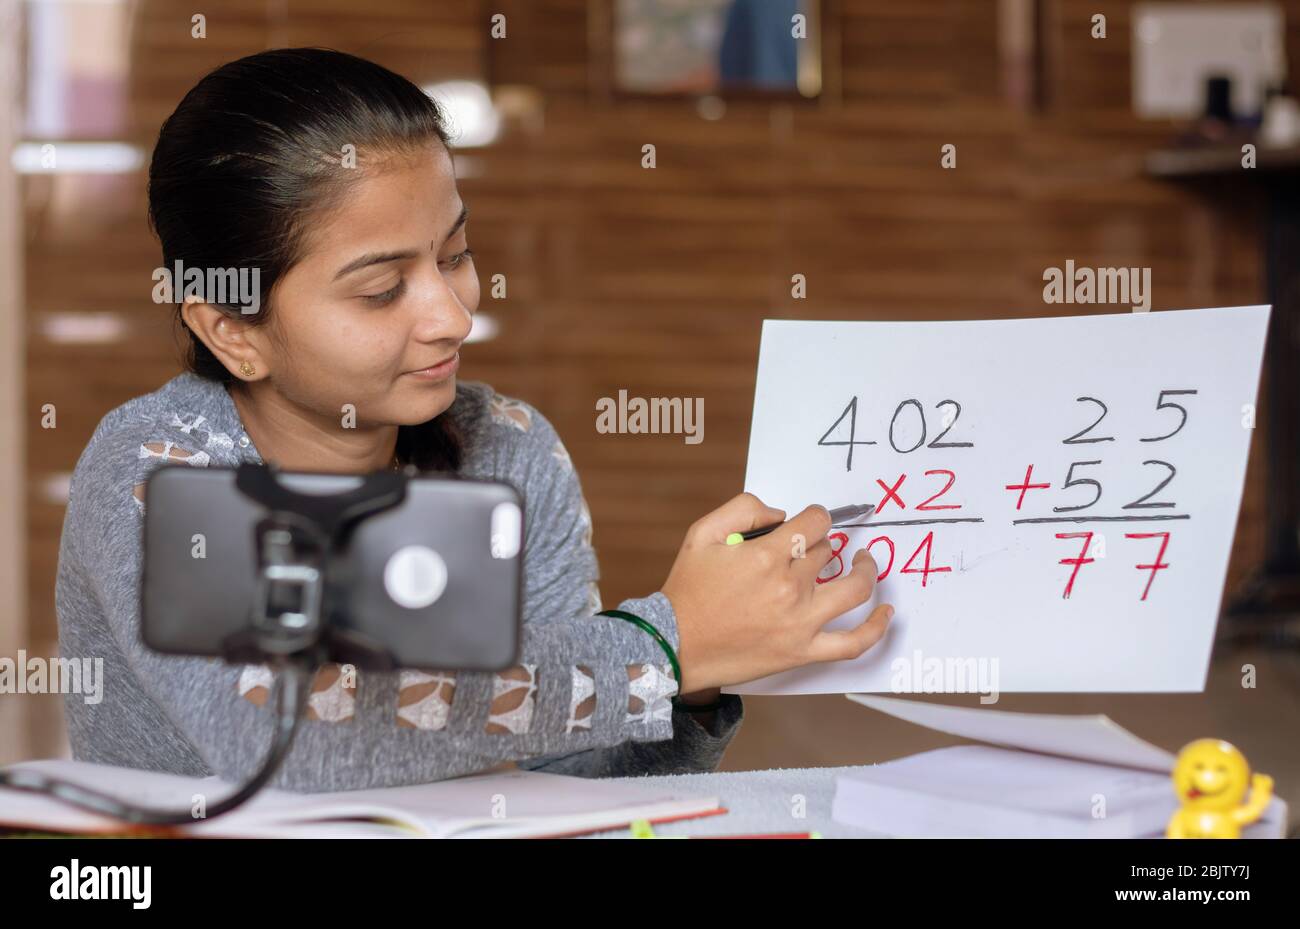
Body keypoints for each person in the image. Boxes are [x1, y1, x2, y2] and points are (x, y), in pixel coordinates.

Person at [55, 48, 893, 792]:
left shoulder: (508, 450)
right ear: (232, 330)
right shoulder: (155, 470)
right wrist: (665, 648)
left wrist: (696, 677)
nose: (453, 314)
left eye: (455, 255)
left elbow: (569, 775)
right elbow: (292, 742)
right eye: (383, 290)